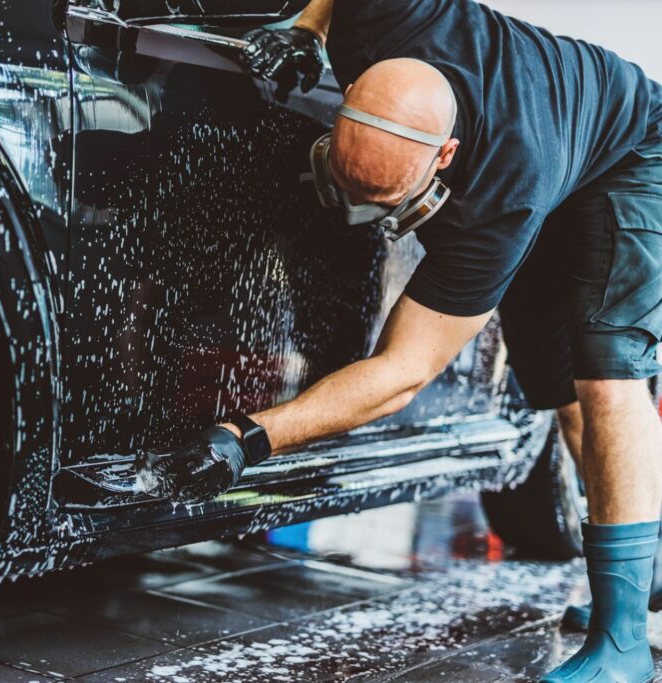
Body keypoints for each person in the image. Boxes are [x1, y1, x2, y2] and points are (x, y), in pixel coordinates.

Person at [139, 0, 662, 680]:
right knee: (563, 391)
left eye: (385, 204)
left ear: (444, 157)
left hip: (632, 152)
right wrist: (306, 28)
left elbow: (403, 369)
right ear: (353, 94)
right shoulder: (392, 14)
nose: (362, 217)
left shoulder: (499, 198)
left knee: (607, 376)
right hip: (560, 146)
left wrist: (248, 436)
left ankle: (622, 641)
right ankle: (643, 570)